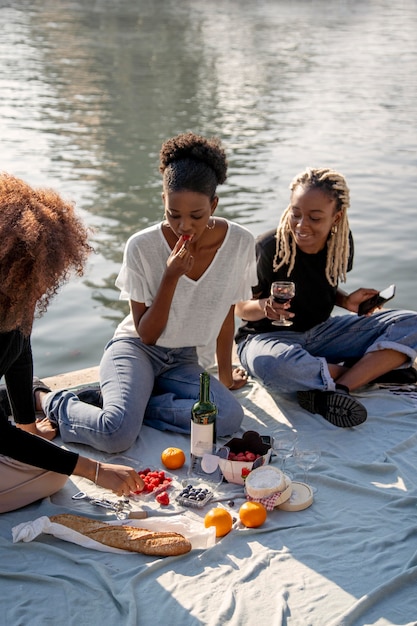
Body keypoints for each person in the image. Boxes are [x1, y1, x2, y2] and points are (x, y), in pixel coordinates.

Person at [38, 132, 256, 453]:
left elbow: (226, 313)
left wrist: (224, 375)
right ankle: (46, 397)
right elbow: (148, 334)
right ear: (163, 200)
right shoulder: (141, 246)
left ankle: (135, 406)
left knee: (226, 418)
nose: (184, 226)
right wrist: (170, 277)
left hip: (183, 359)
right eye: (173, 214)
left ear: (213, 204)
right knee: (116, 435)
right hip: (136, 349)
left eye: (197, 216)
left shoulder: (240, 242)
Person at [0, 173, 144, 513]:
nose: (44, 283)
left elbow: (19, 351)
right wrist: (95, 470)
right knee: (52, 476)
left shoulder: (14, 298)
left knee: (43, 458)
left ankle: (32, 406)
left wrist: (27, 426)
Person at [235, 167, 417, 428]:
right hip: (266, 338)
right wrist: (265, 307)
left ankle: (338, 387)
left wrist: (346, 302)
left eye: (315, 217)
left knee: (410, 323)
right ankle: (372, 372)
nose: (301, 224)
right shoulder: (268, 247)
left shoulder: (341, 243)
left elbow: (320, 288)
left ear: (336, 217)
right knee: (274, 367)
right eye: (295, 214)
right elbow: (239, 307)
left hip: (322, 332)